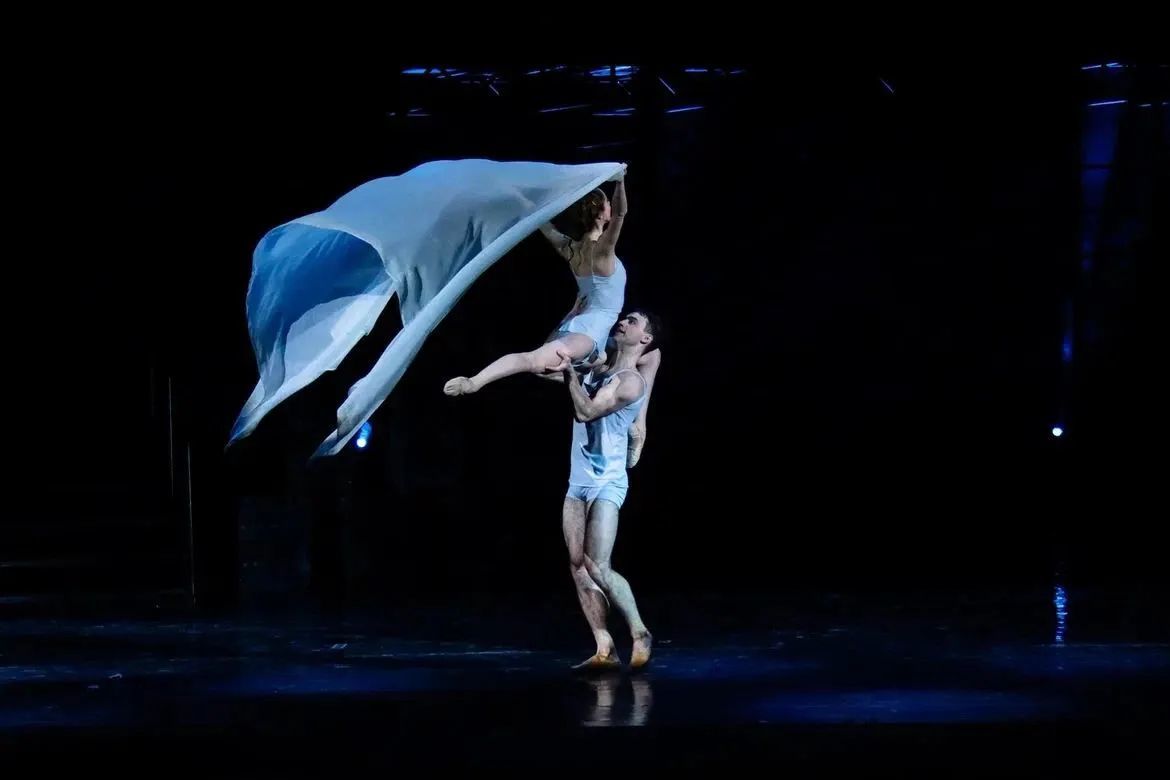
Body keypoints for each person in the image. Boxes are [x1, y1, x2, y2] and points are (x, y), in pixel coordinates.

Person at [443, 172, 628, 396]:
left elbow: (540, 220)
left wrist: (517, 194)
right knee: (533, 361)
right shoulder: (602, 251)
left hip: (579, 322)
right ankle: (474, 382)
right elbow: (620, 214)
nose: (611, 206)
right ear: (601, 213)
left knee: (591, 360)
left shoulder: (571, 249)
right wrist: (620, 181)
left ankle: (578, 373)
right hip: (588, 331)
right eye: (607, 203)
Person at [556, 309, 661, 670]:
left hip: (607, 482)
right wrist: (571, 319)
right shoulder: (598, 365)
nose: (623, 322)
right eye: (624, 317)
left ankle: (640, 631)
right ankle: (605, 647)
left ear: (645, 338)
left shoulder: (631, 382)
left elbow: (585, 412)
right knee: (577, 565)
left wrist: (570, 375)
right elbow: (547, 359)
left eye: (633, 321)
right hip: (578, 480)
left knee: (598, 564)